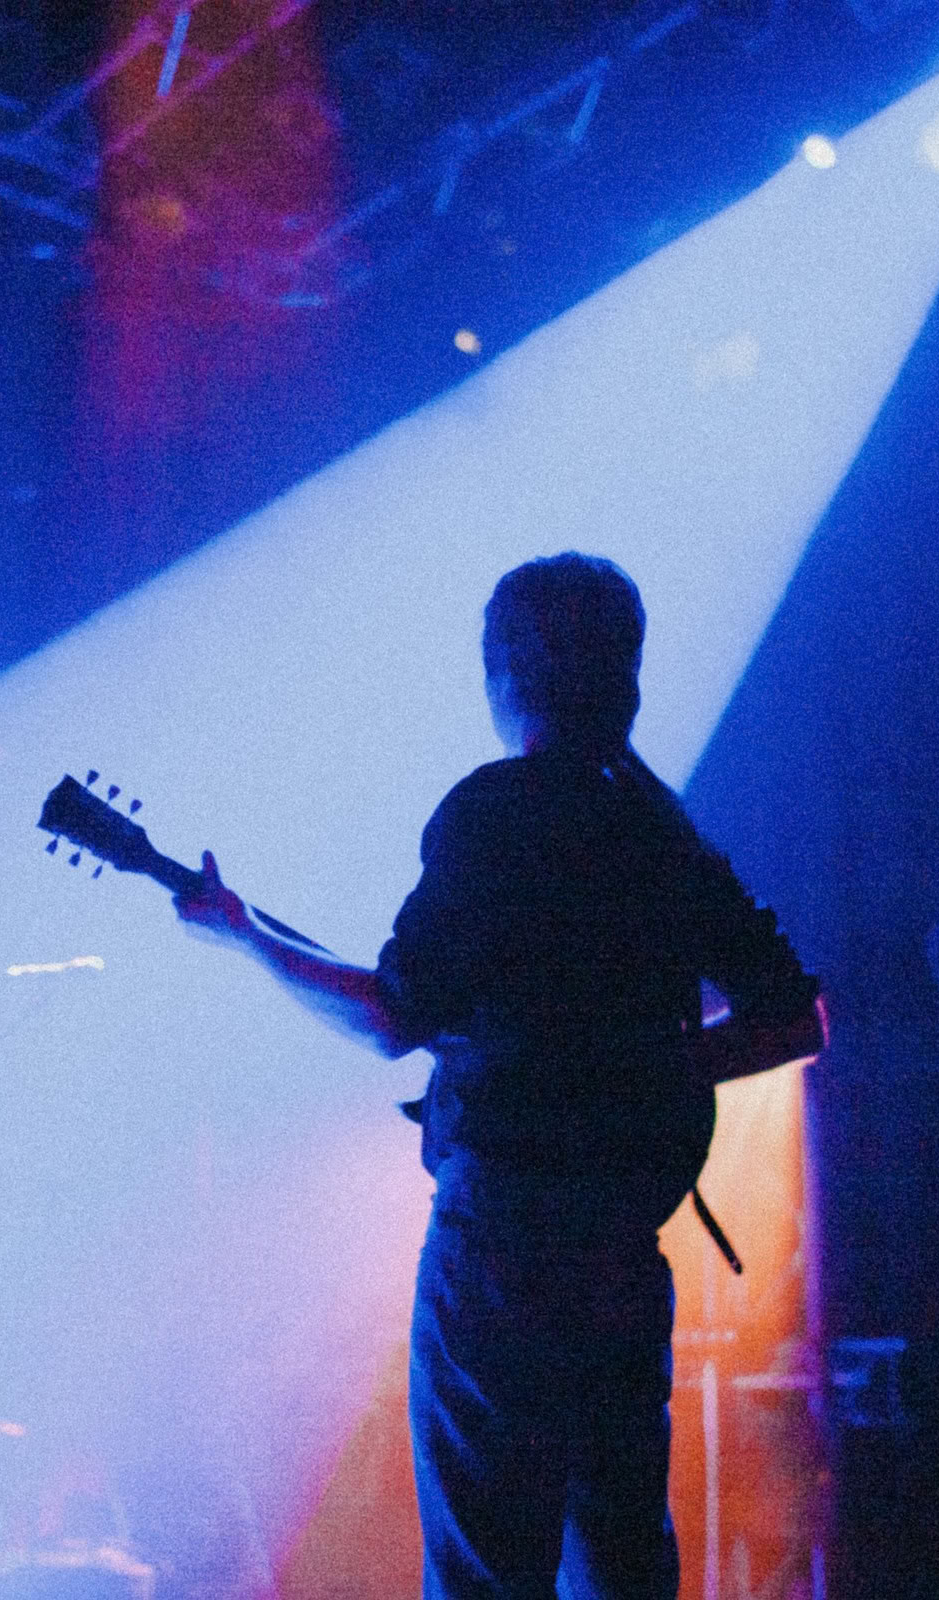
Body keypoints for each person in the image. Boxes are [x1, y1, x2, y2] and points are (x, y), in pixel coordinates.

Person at [173, 553, 824, 1600]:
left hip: (504, 1258)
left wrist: (246, 935)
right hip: (620, 1258)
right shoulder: (658, 831)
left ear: (508, 672)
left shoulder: (493, 813)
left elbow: (393, 1015)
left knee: (488, 1573)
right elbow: (797, 1018)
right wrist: (641, 1067)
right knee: (619, 1569)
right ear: (628, 678)